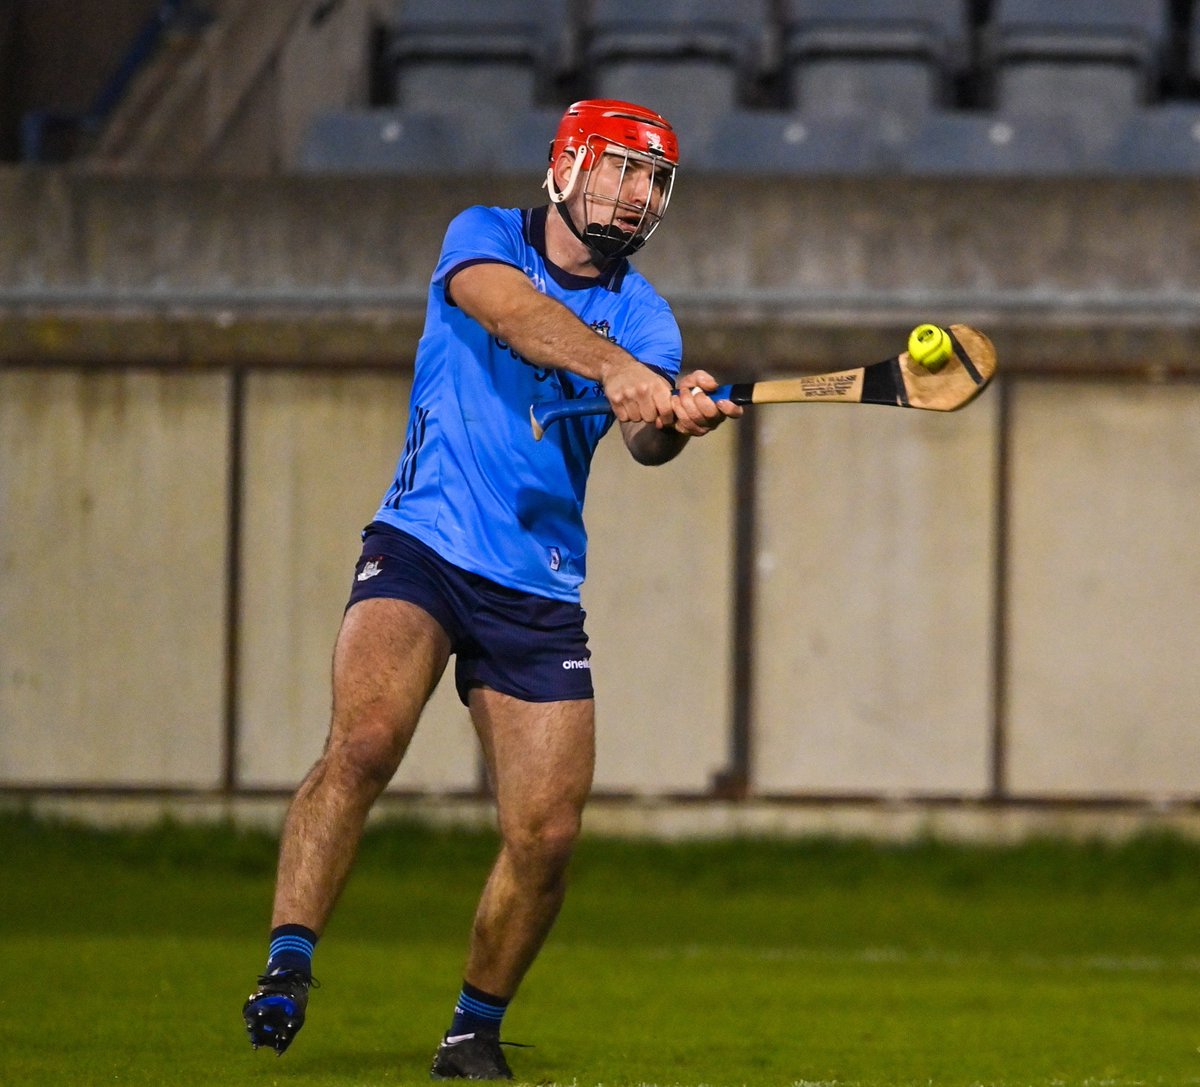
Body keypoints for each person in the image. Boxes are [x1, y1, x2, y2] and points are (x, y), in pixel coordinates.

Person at [241, 98, 742, 1080]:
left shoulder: (648, 317)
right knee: (367, 738)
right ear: (565, 166)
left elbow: (640, 440)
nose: (639, 196)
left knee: (547, 835)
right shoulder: (482, 237)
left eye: (654, 181)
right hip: (422, 539)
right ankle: (288, 961)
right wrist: (615, 368)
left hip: (536, 581)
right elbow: (509, 310)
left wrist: (672, 418)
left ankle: (472, 1030)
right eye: (621, 170)